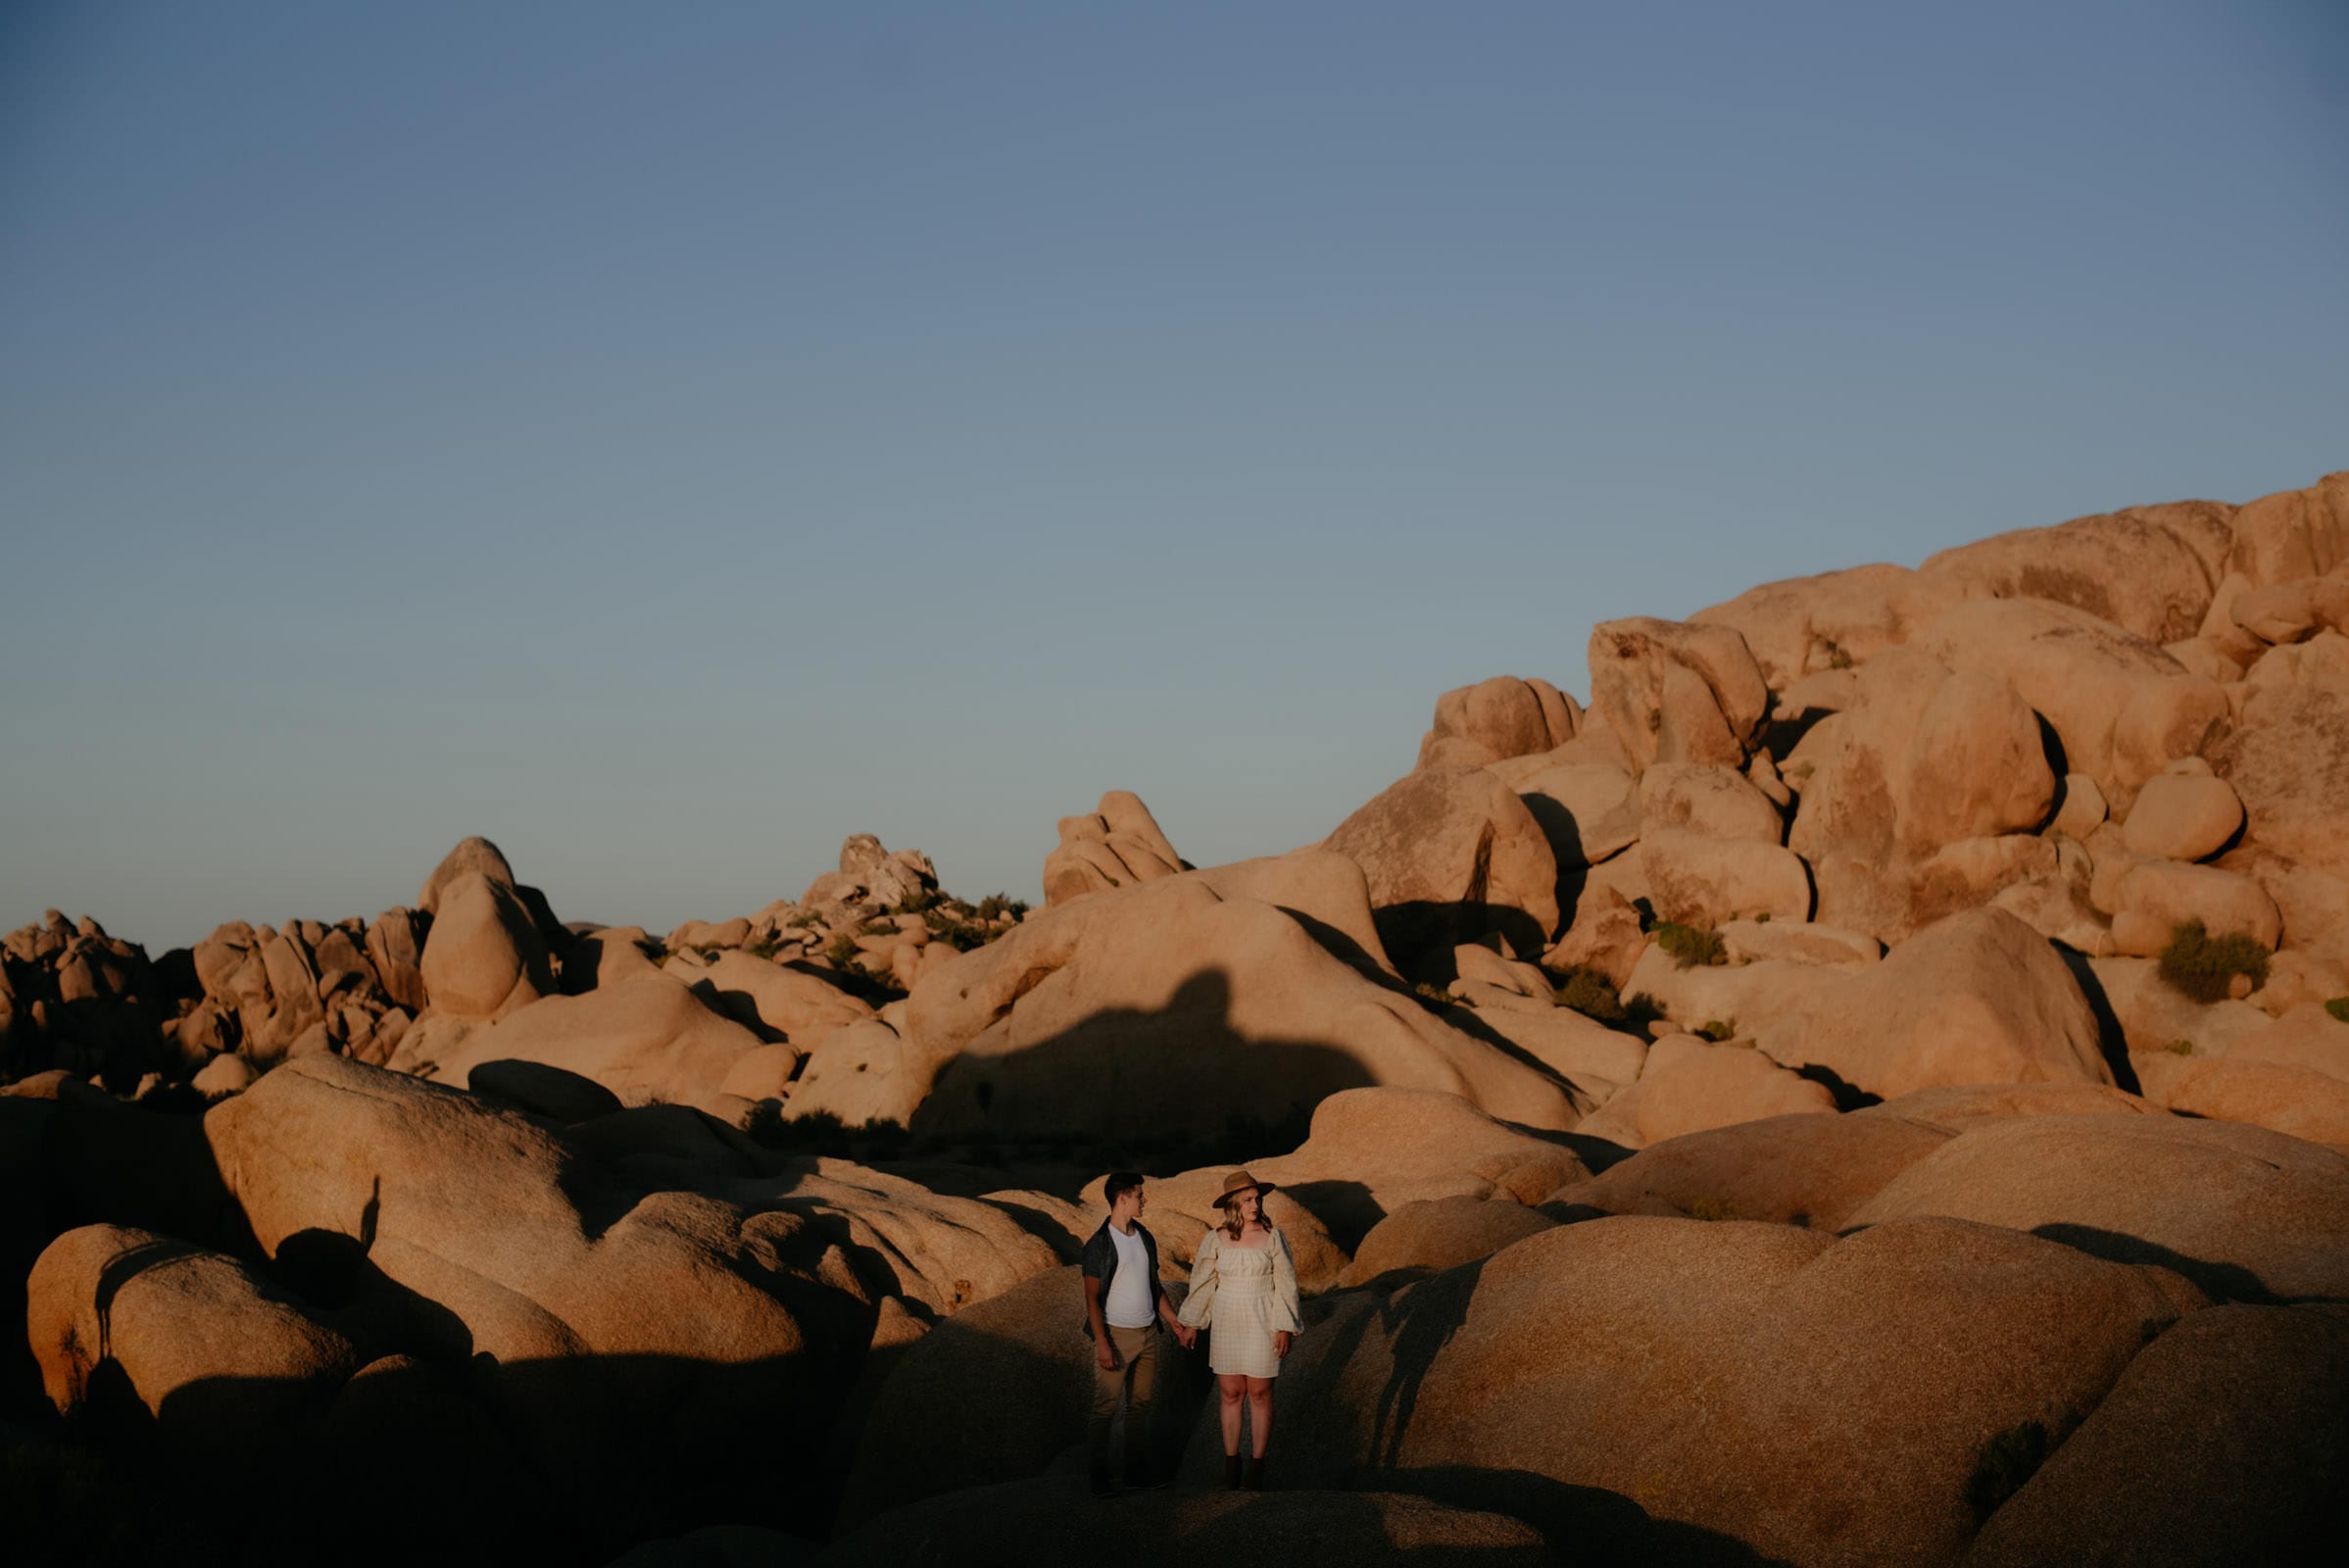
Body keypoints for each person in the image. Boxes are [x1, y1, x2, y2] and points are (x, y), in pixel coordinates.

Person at [1177, 1168, 1301, 1491]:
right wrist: (1192, 1322)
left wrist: (1284, 1326)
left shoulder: (1273, 1236)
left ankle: (1257, 1467)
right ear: (1233, 1204)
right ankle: (1232, 1464)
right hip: (1228, 1318)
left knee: (1260, 1393)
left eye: (1257, 1198)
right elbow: (1203, 1283)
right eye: (1247, 1200)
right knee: (1231, 1393)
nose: (1255, 1205)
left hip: (1263, 1316)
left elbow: (1286, 1283)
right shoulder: (1215, 1238)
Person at [1080, 1170, 1196, 1497]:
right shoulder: (1098, 1245)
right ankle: (1098, 1479)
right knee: (1105, 1408)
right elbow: (1091, 1298)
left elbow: (1153, 1286)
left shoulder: (1144, 1237)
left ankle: (1135, 1475)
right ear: (1122, 1199)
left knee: (1139, 1408)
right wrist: (1102, 1342)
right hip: (1117, 1334)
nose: (1144, 1200)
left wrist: (1173, 1322)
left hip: (1148, 1332)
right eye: (1140, 1195)